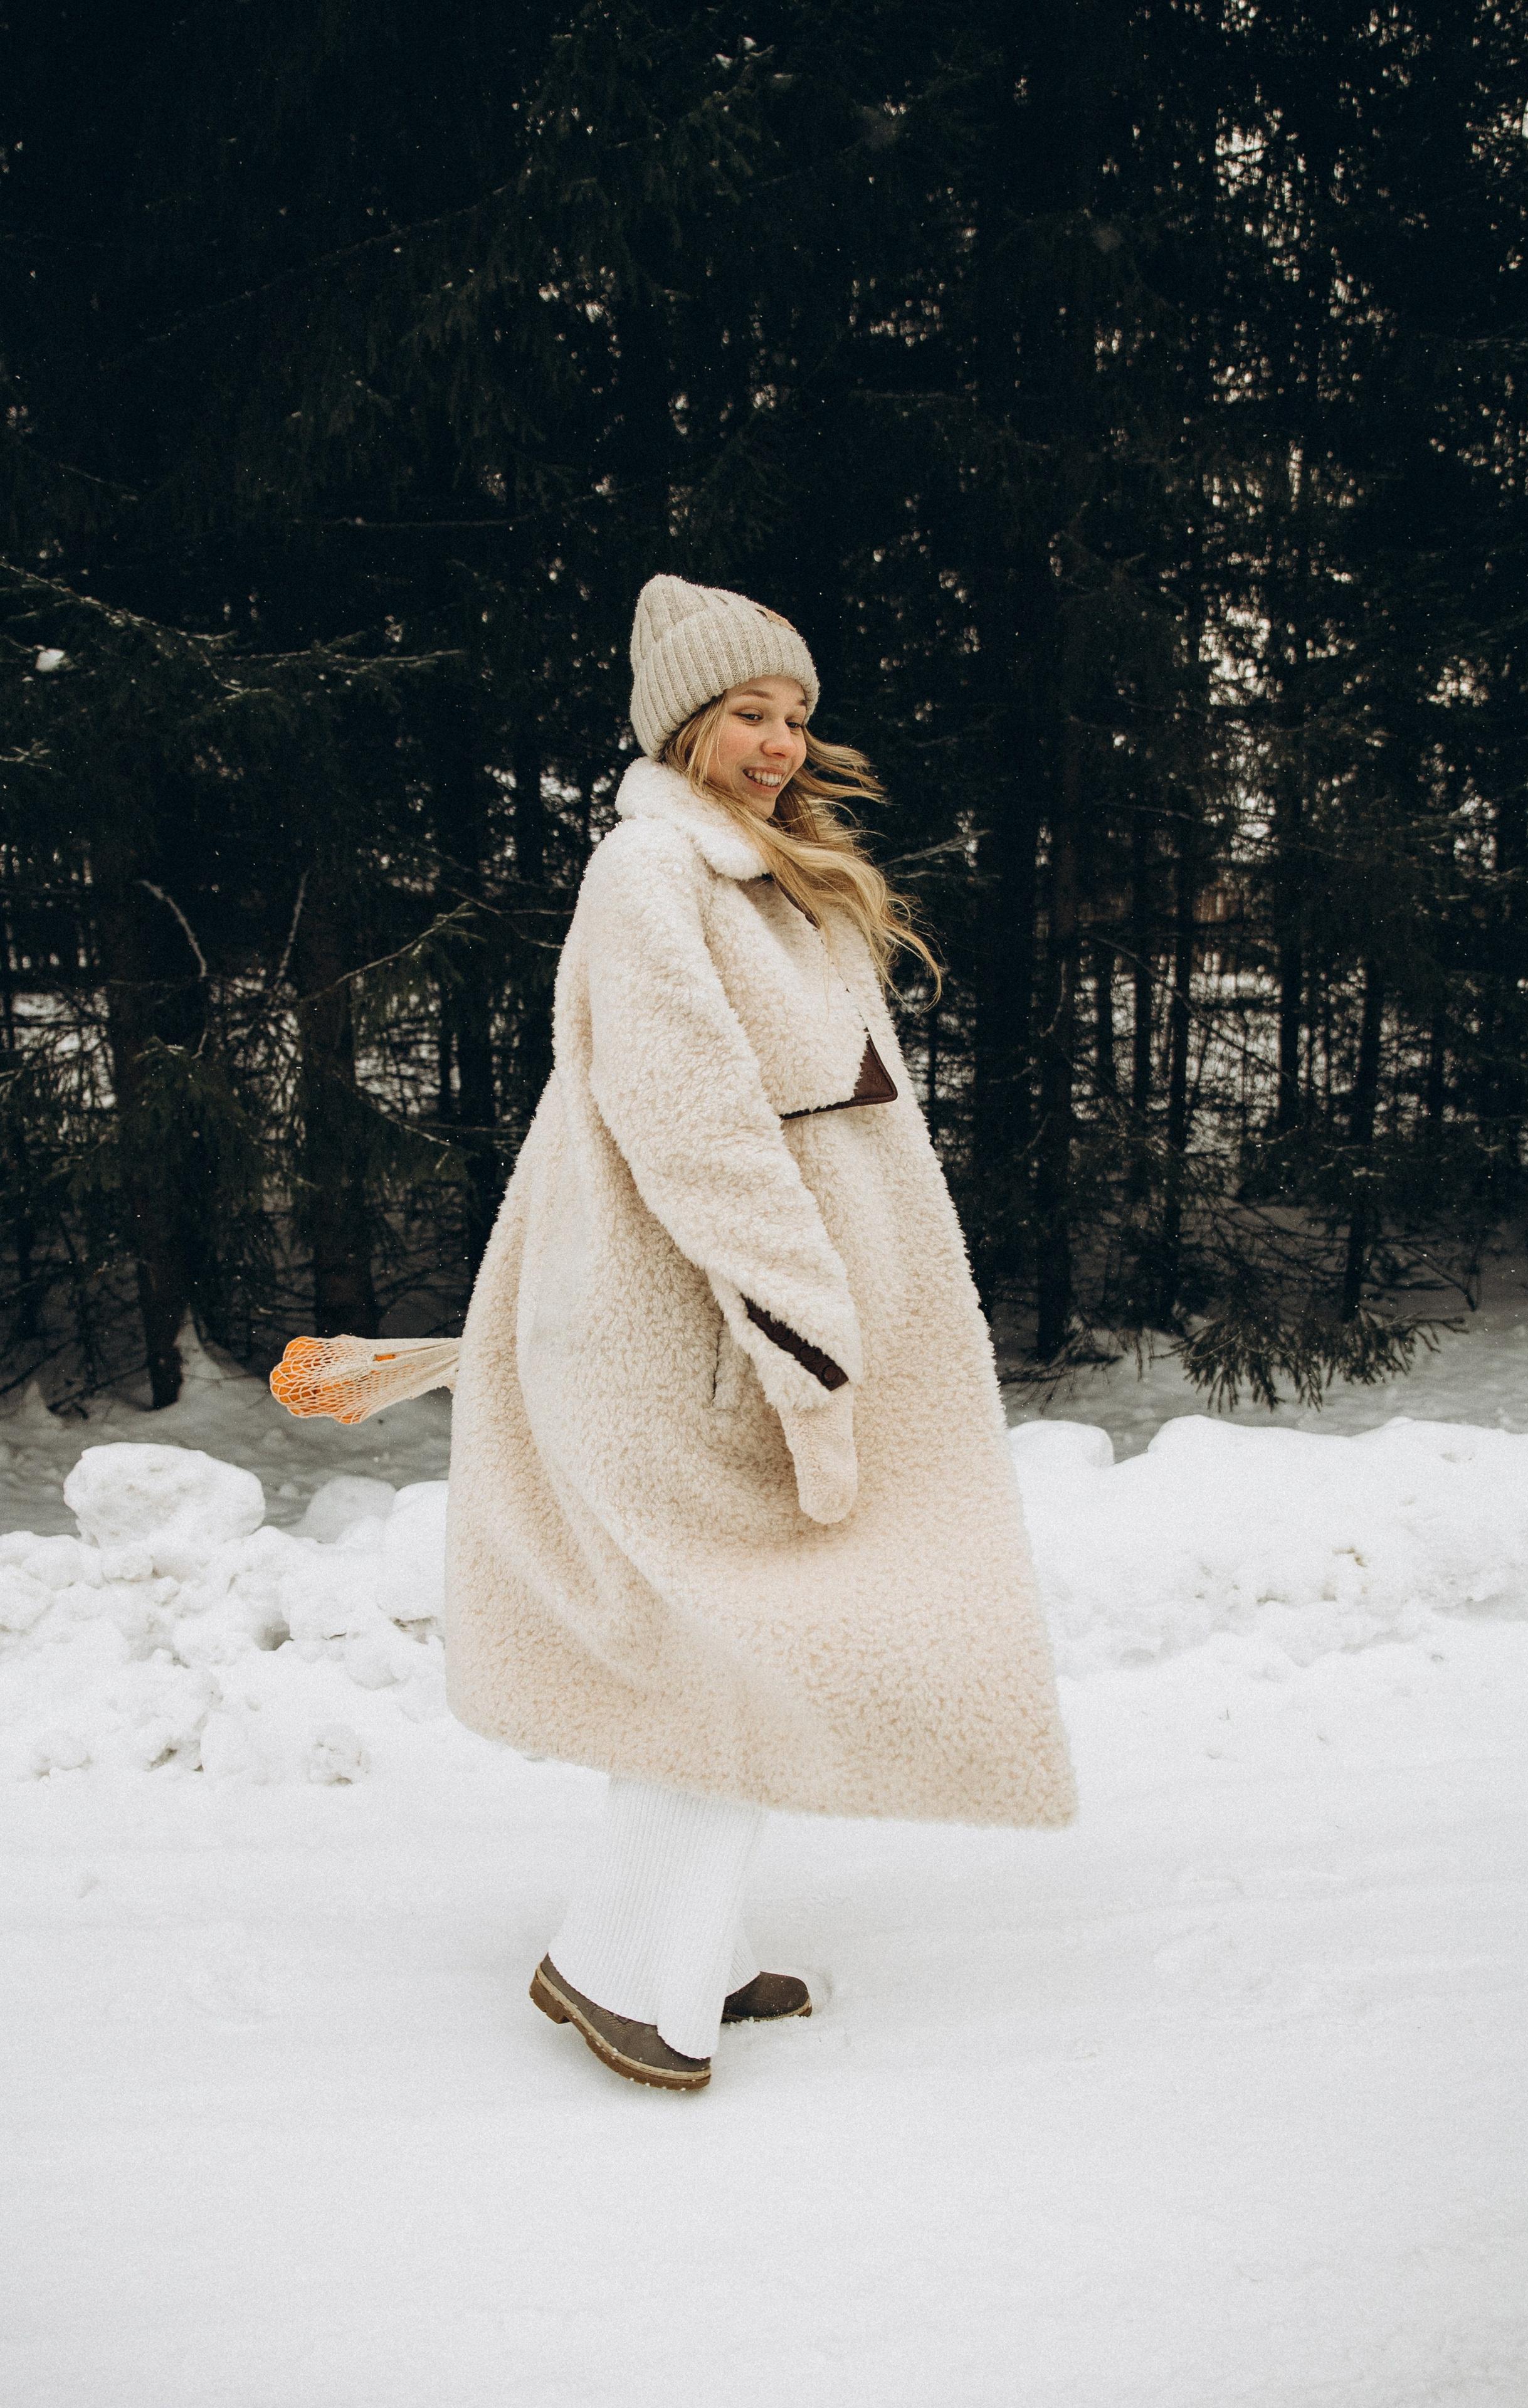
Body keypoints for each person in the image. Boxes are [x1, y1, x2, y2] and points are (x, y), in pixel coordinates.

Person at [444, 573, 1075, 2091]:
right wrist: (794, 1323)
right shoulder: (649, 877)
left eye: (795, 714)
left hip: (753, 1315)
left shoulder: (762, 876)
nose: (781, 740)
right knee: (736, 1639)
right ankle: (624, 1973)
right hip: (699, 1327)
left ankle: (664, 1953)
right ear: (683, 724)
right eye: (748, 712)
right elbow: (694, 1127)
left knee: (722, 1636)